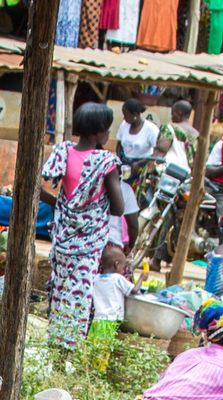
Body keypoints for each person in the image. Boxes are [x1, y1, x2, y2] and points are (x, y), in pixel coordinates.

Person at [40, 102, 125, 349]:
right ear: (99, 132)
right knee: (79, 296)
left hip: (63, 239)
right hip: (87, 244)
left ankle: (55, 341)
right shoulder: (106, 162)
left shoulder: (63, 152)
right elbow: (118, 208)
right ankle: (69, 348)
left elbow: (49, 188)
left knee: (60, 290)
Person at [90, 243, 134, 369]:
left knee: (93, 344)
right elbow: (133, 291)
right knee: (104, 347)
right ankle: (99, 371)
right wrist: (142, 278)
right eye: (123, 266)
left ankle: (87, 367)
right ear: (116, 265)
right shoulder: (117, 279)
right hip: (110, 320)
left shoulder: (96, 278)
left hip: (97, 319)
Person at [116, 98, 158, 174]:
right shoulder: (124, 125)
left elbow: (157, 152)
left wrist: (140, 163)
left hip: (142, 166)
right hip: (125, 165)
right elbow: (119, 145)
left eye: (126, 116)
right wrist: (119, 161)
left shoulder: (151, 129)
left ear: (134, 115)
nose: (124, 118)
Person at [154, 98, 196, 172]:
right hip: (187, 175)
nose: (171, 118)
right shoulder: (197, 134)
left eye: (172, 114)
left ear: (179, 113)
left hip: (169, 173)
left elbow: (162, 149)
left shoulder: (170, 128)